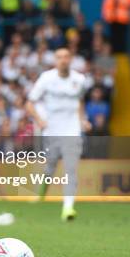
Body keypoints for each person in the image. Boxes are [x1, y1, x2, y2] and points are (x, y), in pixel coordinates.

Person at [26, 47, 91, 221]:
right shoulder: (47, 78)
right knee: (49, 168)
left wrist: (82, 120)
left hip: (72, 131)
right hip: (52, 131)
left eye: (66, 57)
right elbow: (30, 104)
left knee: (71, 169)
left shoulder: (79, 79)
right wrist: (40, 120)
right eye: (60, 57)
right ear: (55, 60)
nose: (63, 60)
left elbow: (80, 102)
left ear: (71, 59)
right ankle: (41, 194)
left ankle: (68, 208)